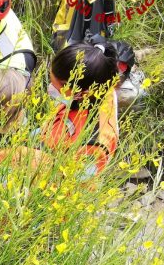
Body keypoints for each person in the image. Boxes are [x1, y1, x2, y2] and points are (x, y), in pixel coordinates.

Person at [42, 41, 120, 177]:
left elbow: (77, 182)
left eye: (56, 86)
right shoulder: (101, 82)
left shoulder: (92, 143)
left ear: (81, 93)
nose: (51, 89)